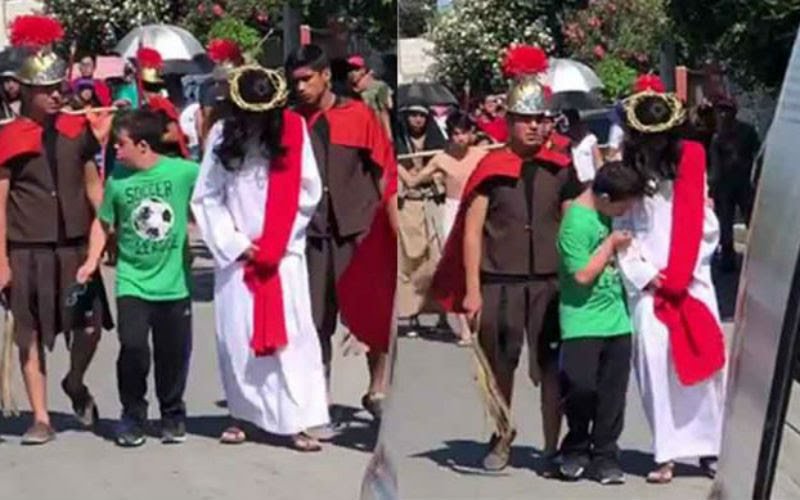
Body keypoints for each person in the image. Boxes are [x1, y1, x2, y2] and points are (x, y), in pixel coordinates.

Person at [433, 44, 583, 472]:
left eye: (541, 120)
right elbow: (472, 232)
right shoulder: (490, 167)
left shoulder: (561, 167)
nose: (535, 127)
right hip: (499, 284)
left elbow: (574, 224)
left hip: (550, 285)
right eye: (527, 120)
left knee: (553, 371)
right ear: (511, 122)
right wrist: (472, 291)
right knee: (500, 367)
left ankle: (553, 447)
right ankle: (502, 437)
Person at [191, 65, 330, 450]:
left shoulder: (292, 130)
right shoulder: (222, 135)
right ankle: (241, 415)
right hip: (238, 257)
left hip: (282, 252)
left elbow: (308, 190)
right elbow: (207, 196)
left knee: (294, 339)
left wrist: (276, 241)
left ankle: (296, 421)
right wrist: (236, 243)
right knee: (237, 339)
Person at [0, 15, 113, 444]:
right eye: (44, 90)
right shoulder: (7, 136)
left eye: (56, 88)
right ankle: (41, 417)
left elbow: (92, 186)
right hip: (26, 250)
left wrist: (109, 227)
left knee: (88, 328)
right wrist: (1, 262)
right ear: (24, 92)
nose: (54, 96)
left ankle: (76, 381)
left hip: (74, 248)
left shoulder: (76, 128)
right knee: (29, 335)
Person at [615, 87, 726, 483]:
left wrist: (683, 272)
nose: (654, 144)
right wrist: (646, 274)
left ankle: (710, 447)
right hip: (648, 285)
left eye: (661, 137)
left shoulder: (691, 162)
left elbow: (704, 225)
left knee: (704, 363)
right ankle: (666, 451)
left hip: (691, 279)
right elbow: (621, 227)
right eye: (647, 138)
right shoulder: (628, 166)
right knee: (654, 364)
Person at [285, 44, 396, 424]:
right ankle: (318, 398)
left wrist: (389, 228)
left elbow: (383, 170)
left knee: (370, 315)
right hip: (312, 235)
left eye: (306, 79)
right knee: (315, 321)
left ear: (325, 76)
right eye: (294, 81)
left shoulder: (359, 115)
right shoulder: (291, 123)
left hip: (359, 230)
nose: (300, 87)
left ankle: (377, 388)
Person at [76, 109, 199, 447]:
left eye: (121, 144)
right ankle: (133, 415)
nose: (116, 150)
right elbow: (103, 223)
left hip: (174, 284)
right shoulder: (117, 181)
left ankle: (172, 413)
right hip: (132, 281)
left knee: (172, 353)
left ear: (143, 146)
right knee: (133, 349)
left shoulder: (183, 173)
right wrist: (91, 260)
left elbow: (215, 194)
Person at [556, 162, 645, 484]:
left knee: (612, 394)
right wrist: (609, 245)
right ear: (605, 197)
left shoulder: (612, 213)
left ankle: (606, 454)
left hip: (617, 320)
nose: (627, 210)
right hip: (583, 320)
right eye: (622, 203)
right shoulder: (575, 224)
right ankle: (576, 447)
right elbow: (581, 276)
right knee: (581, 387)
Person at [399, 111, 487, 345]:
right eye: (455, 134)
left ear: (472, 134)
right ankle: (464, 330)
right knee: (456, 268)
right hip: (452, 211)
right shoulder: (440, 159)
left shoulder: (482, 155)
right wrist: (395, 162)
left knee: (480, 265)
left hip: (478, 209)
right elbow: (412, 182)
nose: (460, 138)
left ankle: (478, 324)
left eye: (464, 133)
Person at [709, 94, 760, 272]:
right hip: (724, 186)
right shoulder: (717, 137)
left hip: (745, 183)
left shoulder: (747, 131)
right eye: (720, 110)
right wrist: (713, 187)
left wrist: (757, 178)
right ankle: (727, 258)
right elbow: (715, 164)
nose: (723, 114)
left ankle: (758, 257)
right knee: (725, 223)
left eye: (727, 110)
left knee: (752, 220)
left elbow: (758, 155)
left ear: (734, 112)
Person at [137, 47, 189, 159]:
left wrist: (147, 137)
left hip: (169, 158)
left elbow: (173, 135)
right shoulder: (144, 104)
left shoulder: (160, 104)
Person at [347, 54, 393, 138]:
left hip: (377, 132)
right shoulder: (348, 91)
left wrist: (388, 136)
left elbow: (384, 112)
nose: (352, 73)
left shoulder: (378, 86)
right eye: (349, 70)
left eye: (356, 69)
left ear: (363, 70)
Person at [563, 108, 603, 183]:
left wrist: (600, 179)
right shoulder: (564, 140)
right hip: (575, 182)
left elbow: (598, 161)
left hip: (591, 180)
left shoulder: (590, 138)